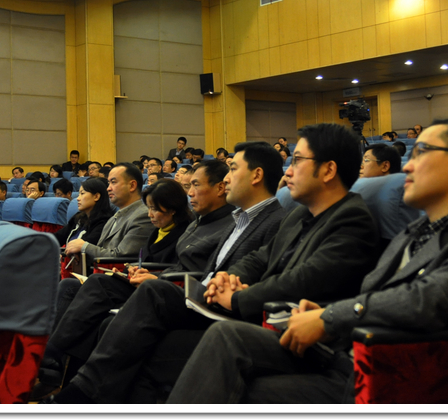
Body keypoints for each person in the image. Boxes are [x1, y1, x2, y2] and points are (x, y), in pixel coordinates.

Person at [166, 117, 448, 405]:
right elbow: (376, 294)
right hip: (343, 354)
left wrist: (330, 315)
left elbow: (428, 299)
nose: (408, 165)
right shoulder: (413, 232)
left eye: (422, 152)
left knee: (241, 377)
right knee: (227, 342)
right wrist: (319, 311)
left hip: (392, 374)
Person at [49, 141, 306, 404]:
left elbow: (262, 276)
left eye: (233, 169)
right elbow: (224, 268)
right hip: (199, 296)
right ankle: (70, 382)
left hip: (223, 309)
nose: (227, 178)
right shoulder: (239, 219)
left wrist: (219, 286)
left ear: (256, 175)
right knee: (108, 300)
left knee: (151, 296)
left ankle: (75, 389)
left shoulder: (276, 221)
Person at [63, 163, 156, 260]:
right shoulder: (114, 218)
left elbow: (121, 257)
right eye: (108, 183)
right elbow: (102, 250)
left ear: (132, 186)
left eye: (113, 182)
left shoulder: (143, 216)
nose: (108, 188)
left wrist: (84, 246)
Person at [54, 178, 115, 252]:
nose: (78, 198)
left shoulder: (105, 222)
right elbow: (58, 237)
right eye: (79, 194)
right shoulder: (78, 217)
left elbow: (86, 247)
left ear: (96, 196)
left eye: (82, 194)